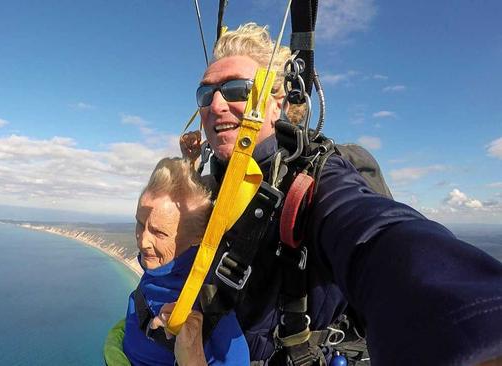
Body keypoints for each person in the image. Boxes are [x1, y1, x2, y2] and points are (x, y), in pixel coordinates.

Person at [165, 23, 502, 365]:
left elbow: (375, 234)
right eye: (205, 95)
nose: (216, 104)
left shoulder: (316, 177)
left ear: (275, 103)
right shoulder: (216, 182)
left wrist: (475, 323)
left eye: (236, 89)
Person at [105, 157, 250, 365]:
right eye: (140, 224)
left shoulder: (204, 298)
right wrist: (189, 161)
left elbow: (237, 357)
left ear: (197, 238)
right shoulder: (161, 265)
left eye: (160, 233)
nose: (143, 241)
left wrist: (192, 358)